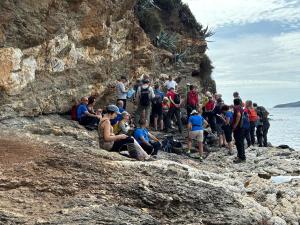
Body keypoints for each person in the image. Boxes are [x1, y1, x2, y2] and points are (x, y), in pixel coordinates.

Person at [232, 98, 245, 163]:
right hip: (242, 127)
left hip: (238, 128)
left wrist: (235, 125)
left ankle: (241, 158)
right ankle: (242, 156)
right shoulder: (241, 108)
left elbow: (238, 115)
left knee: (238, 143)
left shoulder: (236, 108)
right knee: (241, 142)